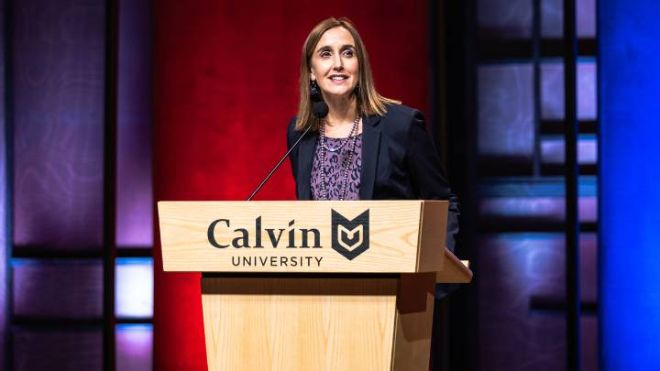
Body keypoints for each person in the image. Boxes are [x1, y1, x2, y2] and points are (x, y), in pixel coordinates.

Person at [287, 17, 459, 253]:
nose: (338, 63)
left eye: (348, 53)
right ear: (311, 72)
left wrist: (436, 280)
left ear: (360, 65)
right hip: (325, 283)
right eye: (326, 54)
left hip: (395, 278)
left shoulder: (401, 125)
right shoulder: (300, 132)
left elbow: (442, 204)